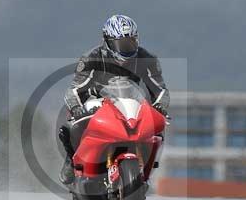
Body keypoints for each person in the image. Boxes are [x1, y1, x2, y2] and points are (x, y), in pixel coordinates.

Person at [59, 14, 169, 185]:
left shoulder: (147, 59)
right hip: (96, 102)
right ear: (108, 42)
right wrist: (76, 108)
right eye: (122, 45)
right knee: (73, 126)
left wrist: (160, 105)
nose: (127, 49)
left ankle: (146, 168)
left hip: (132, 103)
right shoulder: (91, 57)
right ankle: (71, 160)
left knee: (158, 127)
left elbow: (160, 89)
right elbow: (74, 90)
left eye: (131, 42)